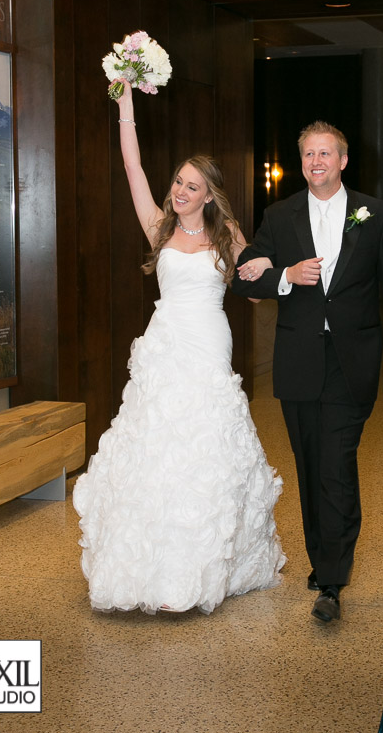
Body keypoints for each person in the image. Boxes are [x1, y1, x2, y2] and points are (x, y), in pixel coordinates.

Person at [73, 83, 285, 615]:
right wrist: (125, 104)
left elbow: (256, 273)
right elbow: (132, 169)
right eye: (177, 183)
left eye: (192, 186)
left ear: (209, 194)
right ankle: (152, 567)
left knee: (204, 441)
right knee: (156, 443)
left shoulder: (227, 233)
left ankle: (206, 561)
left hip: (209, 341)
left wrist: (283, 277)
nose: (180, 191)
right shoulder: (158, 227)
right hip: (164, 342)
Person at [232, 120, 383, 624]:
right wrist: (283, 275)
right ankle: (322, 561)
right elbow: (246, 276)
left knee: (336, 465)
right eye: (308, 155)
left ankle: (332, 581)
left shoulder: (373, 214)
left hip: (351, 362)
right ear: (303, 164)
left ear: (342, 161)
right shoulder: (280, 214)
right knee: (309, 464)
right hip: (298, 363)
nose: (316, 162)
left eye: (325, 153)